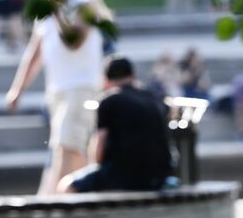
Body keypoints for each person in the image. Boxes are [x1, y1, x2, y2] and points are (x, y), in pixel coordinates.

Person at [5, 0, 105, 194]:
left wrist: (58, 13)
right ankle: (73, 193)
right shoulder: (45, 15)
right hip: (57, 89)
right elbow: (34, 54)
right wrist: (17, 90)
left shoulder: (84, 6)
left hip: (82, 86)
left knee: (67, 145)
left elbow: (74, 41)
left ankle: (56, 198)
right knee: (69, 147)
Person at [61, 57, 173, 193]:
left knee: (67, 186)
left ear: (106, 80)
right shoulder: (155, 98)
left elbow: (98, 152)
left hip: (123, 175)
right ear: (132, 76)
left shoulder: (108, 101)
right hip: (159, 177)